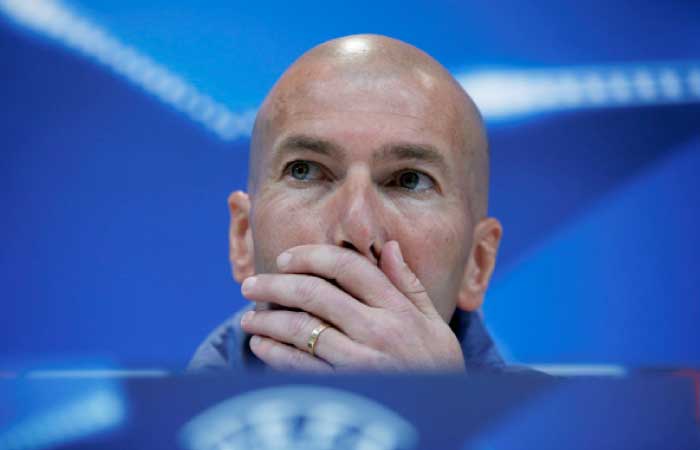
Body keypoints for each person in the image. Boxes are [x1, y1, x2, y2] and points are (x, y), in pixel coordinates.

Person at [189, 34, 506, 373]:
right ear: (243, 238)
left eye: (408, 180)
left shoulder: (565, 425)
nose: (356, 230)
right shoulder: (145, 424)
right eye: (305, 171)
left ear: (477, 265)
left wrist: (439, 411)